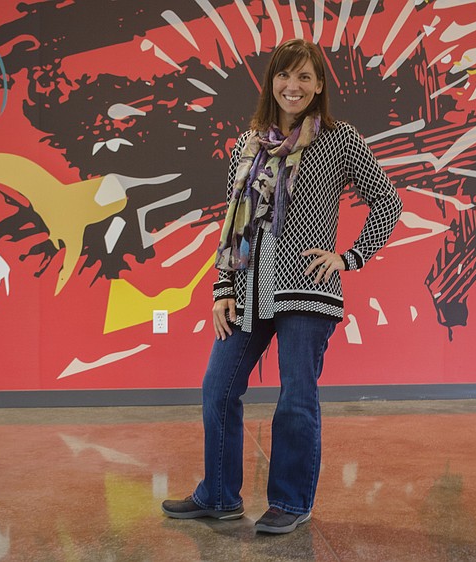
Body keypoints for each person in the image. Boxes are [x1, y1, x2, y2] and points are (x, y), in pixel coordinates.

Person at [162, 38, 402, 534]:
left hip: (307, 291)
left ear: (318, 87)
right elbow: (233, 228)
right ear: (271, 82)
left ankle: (290, 502)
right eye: (284, 76)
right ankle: (221, 495)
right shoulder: (246, 147)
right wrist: (222, 289)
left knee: (296, 396)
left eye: (305, 78)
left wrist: (347, 257)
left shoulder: (340, 139)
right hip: (249, 290)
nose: (293, 86)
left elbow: (387, 202)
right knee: (217, 388)